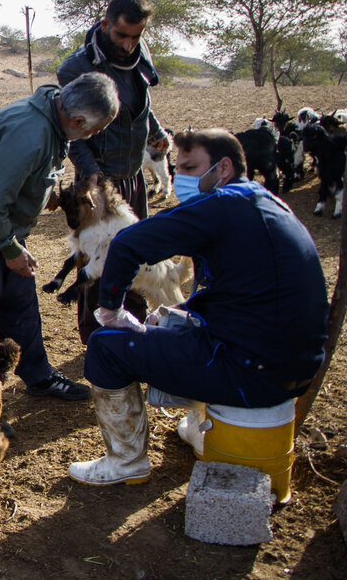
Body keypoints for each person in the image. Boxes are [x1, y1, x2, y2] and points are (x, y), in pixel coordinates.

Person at [68, 128, 328, 486]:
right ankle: (198, 426)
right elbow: (241, 293)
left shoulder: (223, 204)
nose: (181, 176)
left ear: (223, 168)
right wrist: (179, 313)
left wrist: (111, 311)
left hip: (249, 372)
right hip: (291, 367)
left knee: (106, 345)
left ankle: (125, 461)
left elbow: (127, 244)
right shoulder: (267, 204)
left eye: (190, 167)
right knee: (177, 320)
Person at [0, 72, 120, 400]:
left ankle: (38, 376)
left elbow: (21, 178)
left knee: (20, 306)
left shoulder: (52, 120)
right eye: (95, 129)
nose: (92, 135)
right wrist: (9, 247)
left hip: (4, 228)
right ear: (78, 120)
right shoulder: (29, 133)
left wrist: (39, 194)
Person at [57, 0, 171, 344]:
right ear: (105, 24)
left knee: (134, 251)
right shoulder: (76, 68)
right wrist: (92, 176)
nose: (129, 43)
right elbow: (73, 131)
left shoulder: (138, 53)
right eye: (122, 35)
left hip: (133, 172)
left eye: (136, 36)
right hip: (99, 180)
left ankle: (132, 325)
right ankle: (98, 336)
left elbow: (140, 103)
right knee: (96, 258)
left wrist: (156, 131)